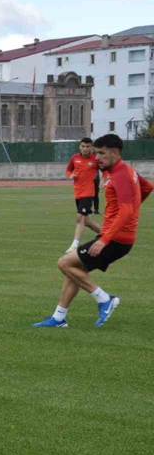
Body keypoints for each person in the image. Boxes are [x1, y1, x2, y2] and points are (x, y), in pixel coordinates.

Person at [33, 134, 152, 329]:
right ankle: (58, 318)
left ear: (115, 153)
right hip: (118, 236)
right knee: (74, 271)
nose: (97, 157)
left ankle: (104, 299)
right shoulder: (124, 171)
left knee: (64, 263)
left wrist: (104, 239)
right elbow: (147, 187)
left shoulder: (121, 174)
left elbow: (127, 211)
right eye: (96, 153)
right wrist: (132, 210)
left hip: (116, 239)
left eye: (102, 153)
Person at [65, 137, 102, 253]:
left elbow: (105, 169)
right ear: (79, 147)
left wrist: (104, 179)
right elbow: (68, 170)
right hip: (78, 193)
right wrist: (70, 175)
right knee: (87, 222)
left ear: (91, 148)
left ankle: (74, 245)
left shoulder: (95, 159)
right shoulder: (74, 158)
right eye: (83, 146)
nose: (85, 149)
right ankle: (109, 236)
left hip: (88, 193)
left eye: (87, 146)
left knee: (79, 217)